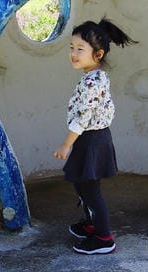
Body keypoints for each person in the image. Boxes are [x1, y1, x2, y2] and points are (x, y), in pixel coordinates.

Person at [53, 18, 136, 255]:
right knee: (82, 185)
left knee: (90, 190)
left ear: (97, 54)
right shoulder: (94, 77)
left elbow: (83, 117)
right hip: (91, 139)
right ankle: (91, 223)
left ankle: (103, 237)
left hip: (91, 140)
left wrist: (66, 145)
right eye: (72, 47)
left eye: (80, 49)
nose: (73, 53)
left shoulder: (93, 80)